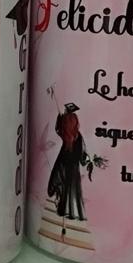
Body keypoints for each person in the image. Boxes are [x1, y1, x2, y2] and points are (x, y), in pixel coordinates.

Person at [46, 88, 89, 226]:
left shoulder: (65, 135)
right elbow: (82, 156)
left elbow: (58, 129)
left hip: (62, 164)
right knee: (73, 188)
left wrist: (60, 118)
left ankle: (62, 207)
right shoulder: (78, 137)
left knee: (62, 185)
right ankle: (72, 211)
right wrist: (88, 161)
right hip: (73, 168)